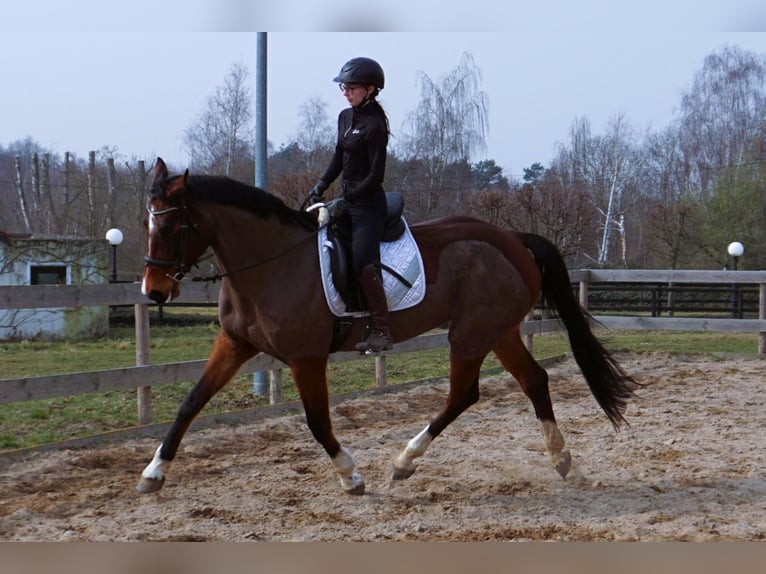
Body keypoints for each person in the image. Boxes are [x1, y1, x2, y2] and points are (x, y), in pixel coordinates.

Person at [309, 56, 393, 353]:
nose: (346, 91)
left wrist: (349, 199)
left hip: (368, 206)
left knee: (359, 262)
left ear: (370, 89)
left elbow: (375, 175)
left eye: (352, 87)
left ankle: (382, 329)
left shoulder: (375, 127)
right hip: (345, 200)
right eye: (344, 87)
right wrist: (320, 185)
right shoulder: (345, 117)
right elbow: (337, 157)